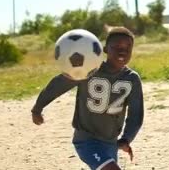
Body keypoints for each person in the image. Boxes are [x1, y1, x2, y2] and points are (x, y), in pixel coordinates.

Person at [32, 27, 144, 170]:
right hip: (87, 140)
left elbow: (136, 114)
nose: (122, 50)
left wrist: (127, 138)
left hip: (110, 142)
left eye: (128, 47)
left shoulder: (132, 79)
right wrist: (37, 108)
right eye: (116, 46)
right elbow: (59, 84)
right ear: (104, 49)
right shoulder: (89, 69)